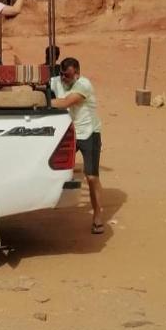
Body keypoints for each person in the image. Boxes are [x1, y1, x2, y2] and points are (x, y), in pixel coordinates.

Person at [51, 57, 104, 235]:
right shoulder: (57, 81)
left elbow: (65, 103)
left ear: (77, 74)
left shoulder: (84, 84)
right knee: (54, 167)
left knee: (91, 177)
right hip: (70, 133)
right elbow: (45, 86)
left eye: (68, 75)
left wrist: (42, 102)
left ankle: (97, 215)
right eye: (62, 75)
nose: (64, 79)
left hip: (89, 133)